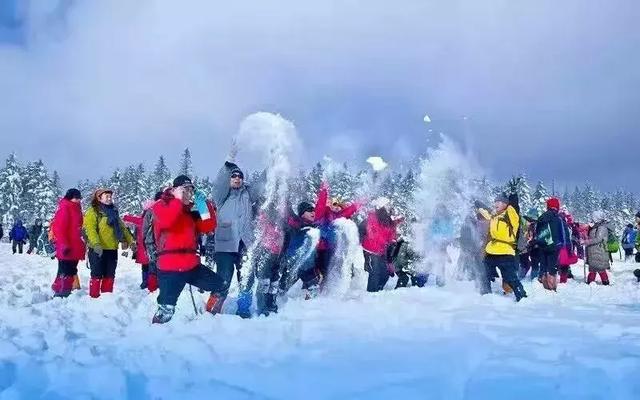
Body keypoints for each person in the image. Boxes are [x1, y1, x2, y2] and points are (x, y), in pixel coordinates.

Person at [150, 175, 225, 324]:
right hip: (170, 268)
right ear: (174, 191)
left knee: (220, 286)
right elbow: (168, 220)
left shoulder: (189, 214)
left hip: (191, 266)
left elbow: (209, 226)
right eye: (185, 190)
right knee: (166, 311)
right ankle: (155, 337)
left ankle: (211, 318)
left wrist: (203, 203)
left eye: (191, 191)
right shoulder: (160, 206)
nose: (188, 194)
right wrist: (177, 200)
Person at [210, 144, 264, 318]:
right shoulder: (222, 196)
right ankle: (213, 307)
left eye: (240, 176)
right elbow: (219, 183)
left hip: (245, 243)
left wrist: (273, 162)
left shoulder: (248, 194)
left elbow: (262, 183)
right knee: (223, 277)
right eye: (234, 176)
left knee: (247, 276)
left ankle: (244, 308)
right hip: (225, 243)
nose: (237, 178)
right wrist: (229, 162)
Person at [83, 188, 134, 298]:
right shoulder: (93, 211)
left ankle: (107, 299)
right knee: (96, 274)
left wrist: (131, 241)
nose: (110, 198)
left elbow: (122, 228)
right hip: (97, 249)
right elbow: (90, 229)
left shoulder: (114, 212)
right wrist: (96, 244)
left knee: (110, 274)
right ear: (99, 198)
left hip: (112, 248)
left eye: (111, 196)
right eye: (107, 196)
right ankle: (94, 297)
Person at [481, 190, 527, 301]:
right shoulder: (495, 216)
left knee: (510, 277)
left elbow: (514, 207)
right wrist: (480, 206)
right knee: (483, 272)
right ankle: (485, 294)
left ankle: (522, 296)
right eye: (495, 201)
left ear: (506, 204)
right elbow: (487, 214)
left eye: (499, 201)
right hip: (492, 250)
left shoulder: (511, 215)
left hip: (505, 251)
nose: (496, 203)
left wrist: (513, 198)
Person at [279, 201, 323, 299]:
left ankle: (309, 306)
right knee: (283, 285)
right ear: (302, 213)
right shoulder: (297, 223)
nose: (313, 212)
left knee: (313, 286)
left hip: (307, 265)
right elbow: (289, 214)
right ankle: (278, 300)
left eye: (313, 210)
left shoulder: (314, 226)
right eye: (309, 210)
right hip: (293, 262)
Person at [361, 197, 403, 293]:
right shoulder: (372, 218)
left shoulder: (388, 220)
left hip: (381, 250)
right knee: (374, 273)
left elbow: (389, 233)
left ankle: (378, 291)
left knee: (384, 273)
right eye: (387, 206)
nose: (389, 208)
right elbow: (365, 230)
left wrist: (392, 240)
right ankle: (371, 293)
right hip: (371, 250)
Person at [50, 189, 86, 297]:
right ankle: (62, 292)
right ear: (70, 198)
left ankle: (59, 288)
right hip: (67, 246)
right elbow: (59, 228)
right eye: (76, 198)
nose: (78, 200)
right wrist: (64, 245)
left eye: (79, 198)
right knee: (67, 270)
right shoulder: (65, 208)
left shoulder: (76, 208)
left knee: (69, 269)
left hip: (75, 245)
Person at [123, 198, 158, 291]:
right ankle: (149, 283)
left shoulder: (143, 219)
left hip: (144, 248)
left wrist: (126, 217)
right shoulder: (153, 218)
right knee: (151, 267)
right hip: (149, 247)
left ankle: (145, 282)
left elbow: (134, 220)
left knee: (146, 267)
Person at [459, 202, 491, 292]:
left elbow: (481, 236)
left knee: (479, 268)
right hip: (474, 249)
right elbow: (465, 238)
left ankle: (482, 287)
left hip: (479, 249)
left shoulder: (481, 222)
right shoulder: (471, 224)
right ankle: (478, 285)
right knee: (476, 267)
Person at [534, 197, 565, 290]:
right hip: (555, 246)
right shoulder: (558, 218)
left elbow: (537, 231)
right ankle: (551, 286)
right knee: (552, 266)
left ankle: (542, 282)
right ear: (557, 207)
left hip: (542, 245)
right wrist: (562, 244)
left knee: (543, 264)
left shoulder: (542, 216)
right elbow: (562, 233)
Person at [582, 210, 611, 285]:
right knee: (594, 268)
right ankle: (593, 282)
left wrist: (587, 242)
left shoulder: (601, 227)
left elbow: (598, 239)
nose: (592, 218)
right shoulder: (596, 226)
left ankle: (604, 282)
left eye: (593, 217)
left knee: (599, 268)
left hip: (599, 251)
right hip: (594, 251)